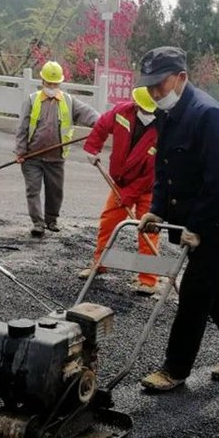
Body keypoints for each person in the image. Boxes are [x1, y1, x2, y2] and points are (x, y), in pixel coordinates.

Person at [135, 46, 219, 391]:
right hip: (196, 222)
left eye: (160, 84)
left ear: (182, 77)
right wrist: (158, 208)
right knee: (217, 288)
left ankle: (175, 369)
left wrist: (199, 227)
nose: (154, 92)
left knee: (194, 291)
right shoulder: (169, 114)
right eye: (150, 86)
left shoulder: (209, 115)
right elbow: (165, 168)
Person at [79, 86, 162, 295]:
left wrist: (128, 195)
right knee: (108, 222)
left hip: (148, 188)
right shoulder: (123, 111)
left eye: (148, 110)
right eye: (140, 108)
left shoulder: (164, 130)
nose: (143, 112)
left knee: (148, 231)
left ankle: (148, 280)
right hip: (121, 181)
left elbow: (150, 175)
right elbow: (102, 125)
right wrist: (92, 148)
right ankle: (100, 264)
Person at [15, 61, 99, 237]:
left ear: (60, 83)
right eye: (49, 83)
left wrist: (102, 124)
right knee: (33, 190)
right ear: (42, 81)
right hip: (32, 157)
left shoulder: (68, 101)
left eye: (55, 84)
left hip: (56, 158)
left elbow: (88, 114)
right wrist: (20, 151)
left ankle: (51, 220)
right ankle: (38, 223)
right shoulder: (32, 100)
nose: (52, 87)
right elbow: (22, 127)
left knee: (55, 191)